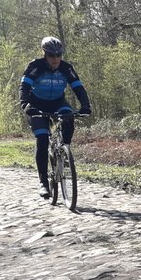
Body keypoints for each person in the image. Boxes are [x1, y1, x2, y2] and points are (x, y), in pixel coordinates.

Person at [19, 36, 91, 197]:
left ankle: (64, 151)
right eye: (52, 55)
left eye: (59, 55)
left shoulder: (66, 68)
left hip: (58, 102)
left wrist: (85, 105)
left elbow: (78, 88)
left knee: (69, 117)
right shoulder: (35, 66)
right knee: (43, 138)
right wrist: (25, 105)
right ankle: (43, 182)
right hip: (36, 105)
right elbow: (24, 87)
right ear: (44, 54)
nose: (55, 59)